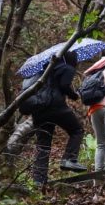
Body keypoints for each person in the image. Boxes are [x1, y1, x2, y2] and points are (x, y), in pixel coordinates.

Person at [31, 50, 87, 186]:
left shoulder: (43, 70)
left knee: (43, 144)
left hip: (38, 109)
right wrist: (74, 95)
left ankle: (39, 180)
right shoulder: (67, 67)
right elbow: (64, 85)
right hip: (55, 106)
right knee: (76, 130)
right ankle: (69, 159)